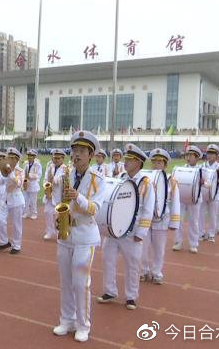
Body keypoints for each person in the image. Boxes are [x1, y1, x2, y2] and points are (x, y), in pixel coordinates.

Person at [52, 130, 106, 343]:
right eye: (74, 150)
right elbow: (58, 201)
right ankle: (67, 320)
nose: (77, 155)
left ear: (91, 155)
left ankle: (83, 325)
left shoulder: (98, 179)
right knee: (65, 281)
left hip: (85, 235)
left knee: (81, 283)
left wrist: (78, 197)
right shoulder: (65, 174)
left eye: (82, 151)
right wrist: (58, 213)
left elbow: (95, 209)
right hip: (66, 233)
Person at [97, 143, 154, 311]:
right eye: (126, 159)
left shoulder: (146, 183)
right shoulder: (121, 177)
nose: (126, 162)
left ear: (138, 163)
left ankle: (131, 297)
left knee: (132, 265)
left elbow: (148, 210)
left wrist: (141, 232)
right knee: (107, 259)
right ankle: (110, 291)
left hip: (133, 231)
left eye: (129, 159)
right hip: (114, 229)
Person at [141, 148, 180, 285]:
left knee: (159, 248)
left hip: (161, 219)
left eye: (159, 162)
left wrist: (174, 222)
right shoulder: (146, 178)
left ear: (165, 164)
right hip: (146, 218)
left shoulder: (170, 180)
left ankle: (157, 272)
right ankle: (143, 270)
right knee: (143, 247)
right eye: (154, 162)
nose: (156, 164)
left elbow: (175, 201)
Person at [0, 147, 25, 254]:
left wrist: (10, 172)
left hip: (16, 200)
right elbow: (0, 182)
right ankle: (4, 242)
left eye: (12, 158)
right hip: (6, 198)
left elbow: (18, 183)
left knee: (16, 224)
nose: (9, 160)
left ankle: (16, 245)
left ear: (16, 160)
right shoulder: (4, 170)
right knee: (0, 221)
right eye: (8, 157)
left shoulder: (20, 171)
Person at [173, 145, 203, 253]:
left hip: (195, 199)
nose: (189, 157)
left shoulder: (201, 170)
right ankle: (178, 242)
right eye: (188, 155)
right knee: (178, 220)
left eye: (191, 155)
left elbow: (209, 184)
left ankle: (193, 244)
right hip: (181, 198)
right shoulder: (181, 169)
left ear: (197, 158)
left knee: (193, 221)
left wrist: (203, 182)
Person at [199, 144, 219, 242]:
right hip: (203, 193)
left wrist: (218, 183)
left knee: (213, 215)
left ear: (216, 155)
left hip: (214, 194)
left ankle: (211, 234)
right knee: (201, 214)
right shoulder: (202, 165)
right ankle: (201, 233)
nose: (210, 155)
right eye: (208, 153)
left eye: (212, 153)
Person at [43, 149, 66, 240]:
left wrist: (53, 179)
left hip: (59, 195)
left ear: (63, 158)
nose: (55, 160)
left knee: (58, 216)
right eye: (54, 158)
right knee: (47, 212)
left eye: (58, 158)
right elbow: (45, 178)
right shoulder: (50, 166)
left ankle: (58, 232)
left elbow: (61, 180)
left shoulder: (65, 168)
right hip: (49, 194)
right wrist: (46, 186)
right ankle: (49, 231)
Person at [22, 149, 41, 220]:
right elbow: (23, 173)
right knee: (25, 199)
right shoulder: (25, 164)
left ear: (34, 157)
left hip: (33, 185)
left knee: (33, 201)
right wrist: (24, 178)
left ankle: (34, 213)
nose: (30, 157)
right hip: (26, 184)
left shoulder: (37, 165)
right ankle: (25, 213)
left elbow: (39, 175)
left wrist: (29, 175)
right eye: (29, 155)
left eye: (31, 156)